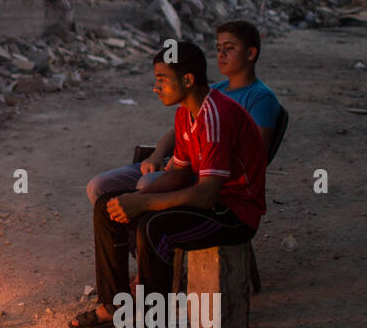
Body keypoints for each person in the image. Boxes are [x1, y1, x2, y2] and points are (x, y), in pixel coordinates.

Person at [71, 41, 266, 328]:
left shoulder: (214, 116)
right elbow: (179, 174)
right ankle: (115, 307)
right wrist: (136, 198)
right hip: (211, 202)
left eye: (162, 79)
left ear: (188, 81)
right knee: (108, 204)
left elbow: (206, 194)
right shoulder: (185, 114)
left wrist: (145, 206)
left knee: (153, 228)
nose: (155, 86)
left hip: (234, 212)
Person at [84, 20, 280, 207]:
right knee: (99, 186)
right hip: (178, 164)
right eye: (219, 48)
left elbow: (254, 154)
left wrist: (194, 167)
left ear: (250, 53)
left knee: (146, 186)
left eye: (229, 48)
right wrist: (156, 156)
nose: (221, 54)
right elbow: (180, 132)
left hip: (210, 175)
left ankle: (149, 238)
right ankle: (129, 237)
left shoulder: (260, 98)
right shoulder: (212, 91)